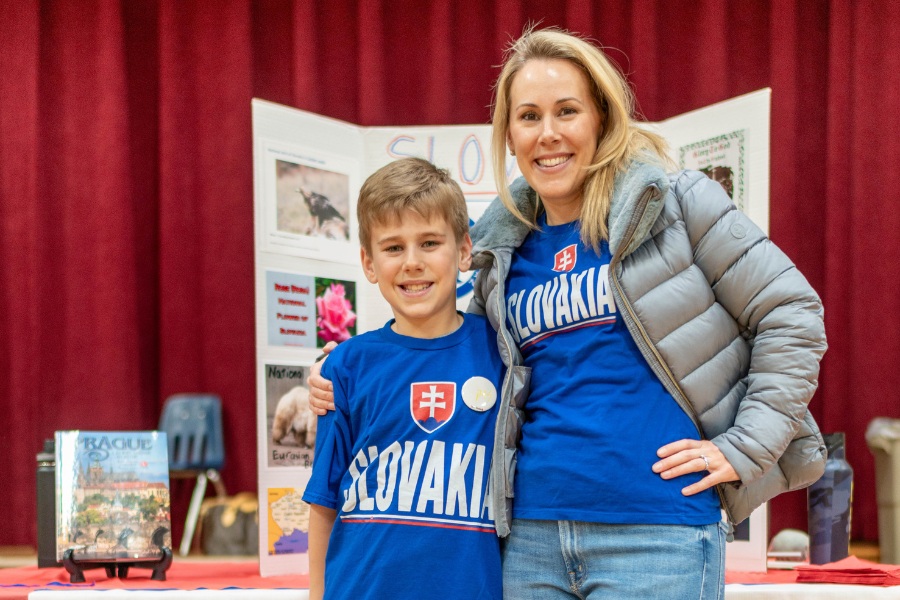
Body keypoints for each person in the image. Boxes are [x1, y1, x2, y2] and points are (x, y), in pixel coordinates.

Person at [310, 28, 827, 599]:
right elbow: (438, 341)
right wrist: (333, 373)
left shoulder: (677, 203)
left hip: (657, 534)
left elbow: (793, 312)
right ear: (509, 132)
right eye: (528, 116)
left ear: (601, 119)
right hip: (530, 540)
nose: (548, 133)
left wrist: (743, 448)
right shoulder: (499, 251)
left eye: (567, 111)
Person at [302, 157, 511, 600]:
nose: (412, 263)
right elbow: (323, 502)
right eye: (393, 248)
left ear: (463, 250)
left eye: (430, 242)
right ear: (369, 262)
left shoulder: (504, 353)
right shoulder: (345, 366)